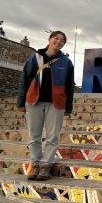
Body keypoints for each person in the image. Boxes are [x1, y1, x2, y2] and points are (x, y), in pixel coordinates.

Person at [17, 31, 74, 181]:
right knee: (34, 136)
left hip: (56, 103)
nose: (59, 42)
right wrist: (21, 101)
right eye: (56, 38)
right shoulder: (35, 57)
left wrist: (68, 107)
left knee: (52, 136)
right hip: (34, 101)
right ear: (50, 39)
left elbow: (69, 86)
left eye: (62, 40)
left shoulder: (66, 62)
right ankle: (35, 165)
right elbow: (24, 79)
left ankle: (45, 166)